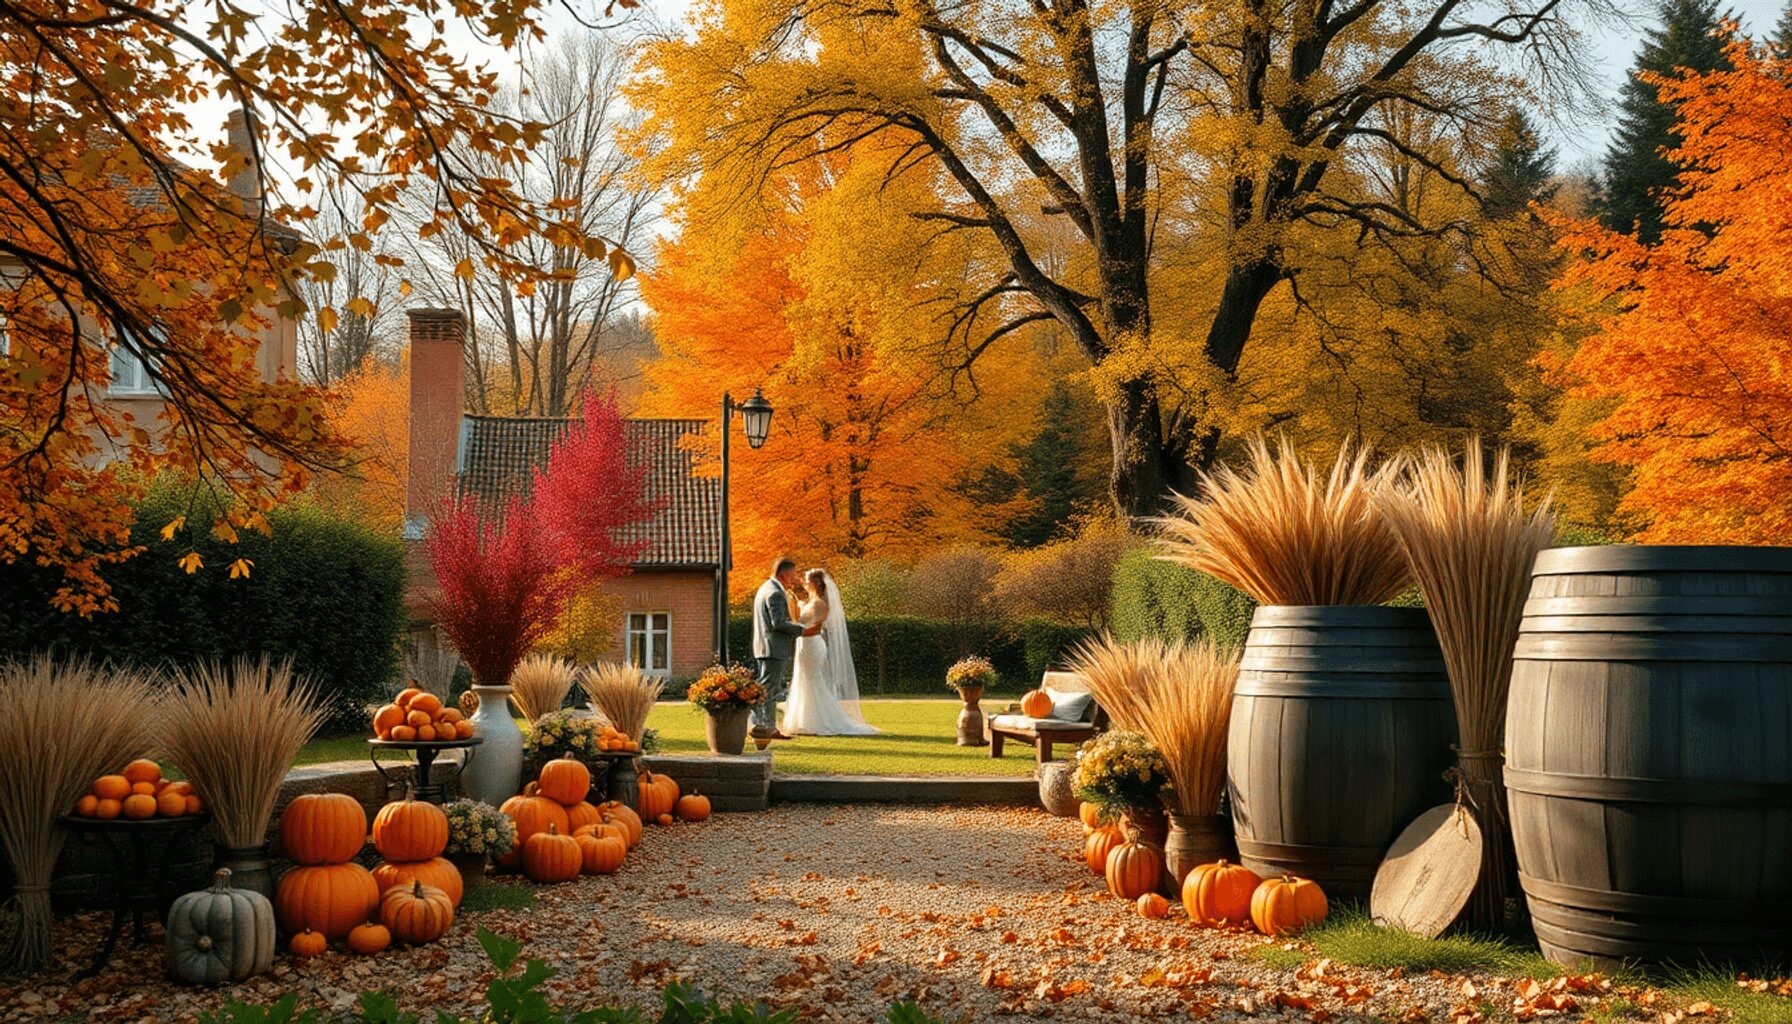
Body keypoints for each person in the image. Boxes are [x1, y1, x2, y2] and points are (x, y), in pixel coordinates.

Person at [783, 568, 877, 736]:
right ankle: (804, 720)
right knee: (804, 679)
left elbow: (815, 627)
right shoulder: (811, 602)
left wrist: (797, 631)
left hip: (812, 644)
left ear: (816, 583)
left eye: (808, 581)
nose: (805, 583)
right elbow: (800, 620)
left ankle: (817, 721)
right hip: (804, 644)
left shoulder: (820, 604)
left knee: (812, 680)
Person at [749, 556, 811, 741]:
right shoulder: (775, 592)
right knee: (768, 689)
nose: (794, 578)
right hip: (773, 648)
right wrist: (802, 630)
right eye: (792, 574)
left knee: (767, 688)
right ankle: (763, 727)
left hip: (765, 647)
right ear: (783, 574)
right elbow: (778, 623)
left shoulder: (765, 588)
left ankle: (768, 727)